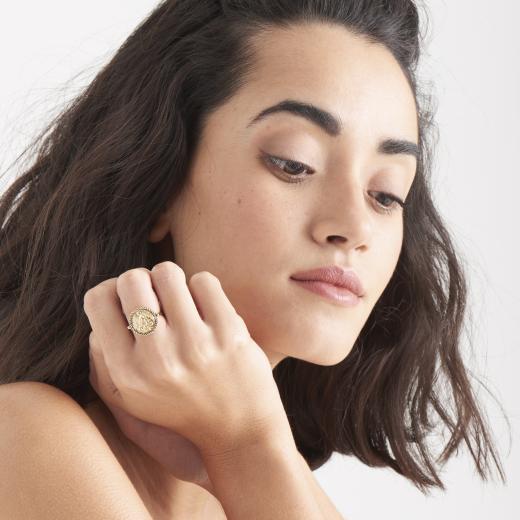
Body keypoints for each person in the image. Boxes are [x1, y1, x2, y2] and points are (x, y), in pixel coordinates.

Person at [0, 0, 507, 518]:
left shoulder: (247, 480)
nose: (355, 228)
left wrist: (240, 453)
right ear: (158, 180)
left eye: (386, 194)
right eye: (295, 163)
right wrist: (246, 446)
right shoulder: (24, 436)